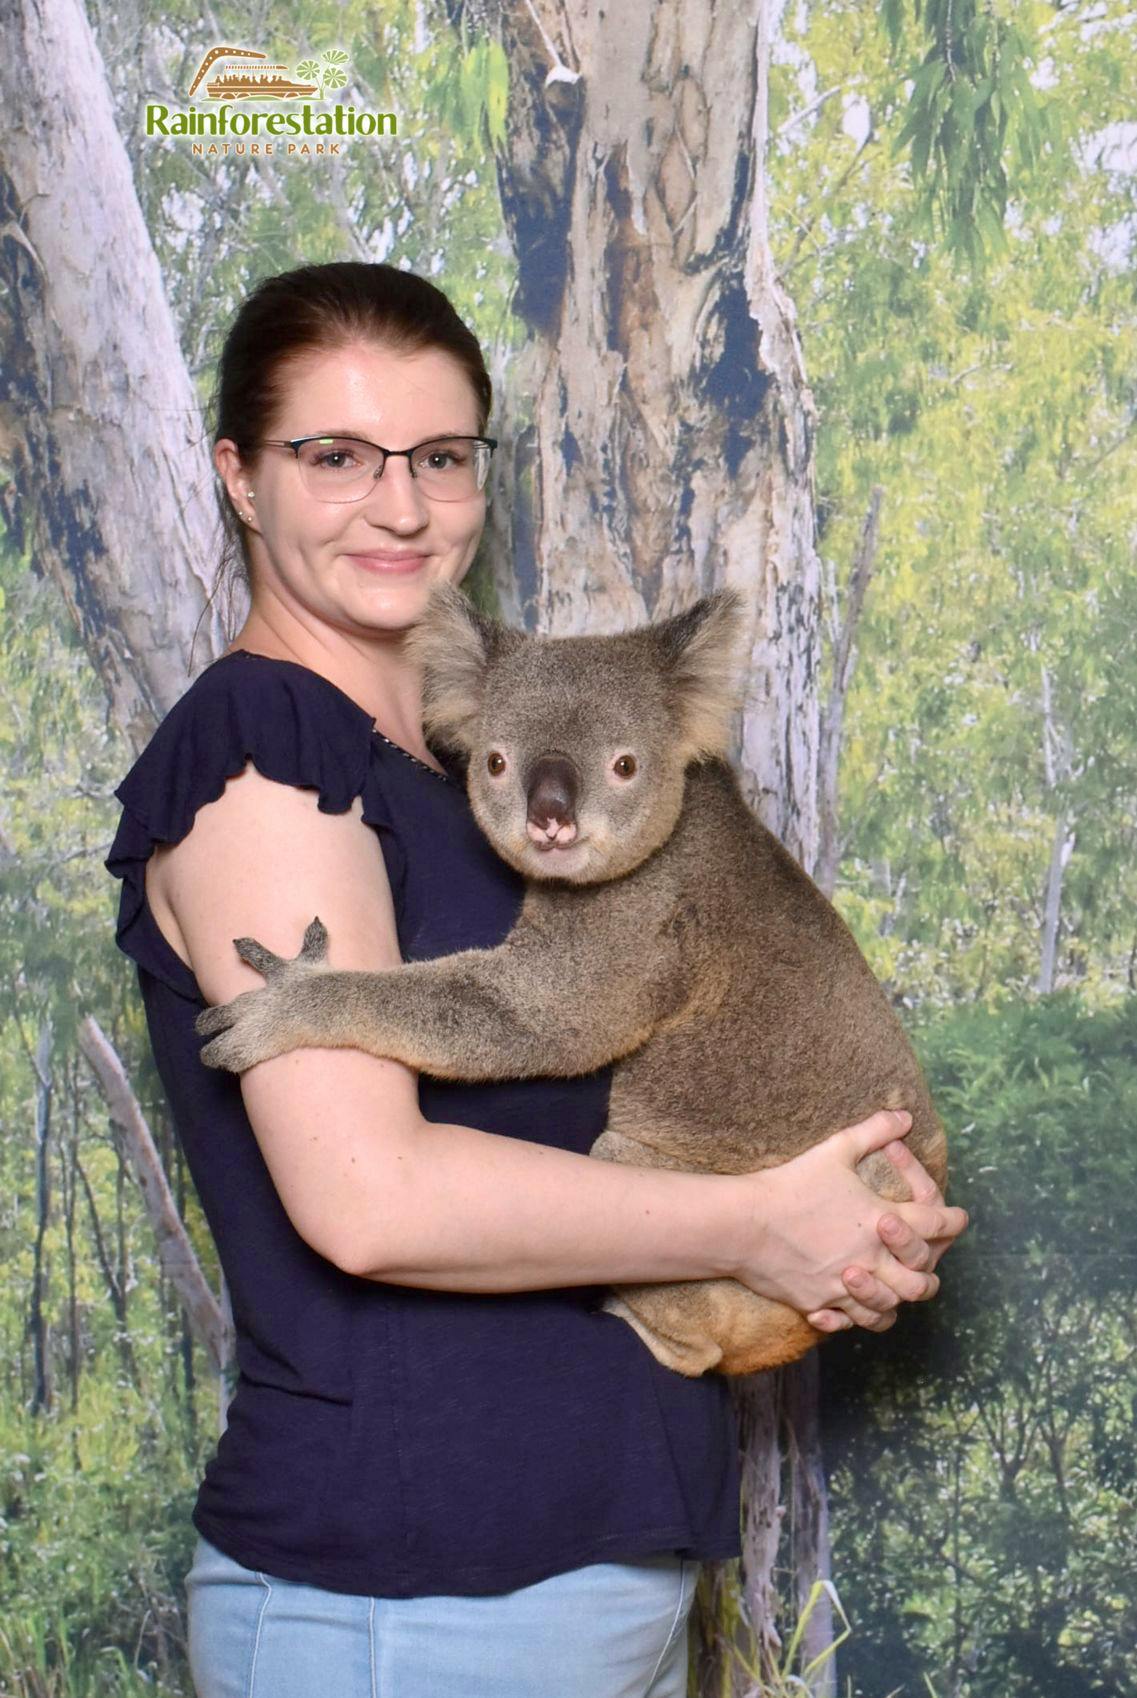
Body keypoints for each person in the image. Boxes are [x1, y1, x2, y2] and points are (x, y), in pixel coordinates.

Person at [104, 261, 966, 1698]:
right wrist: (759, 1222)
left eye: (438, 458)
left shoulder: (457, 763)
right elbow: (369, 1200)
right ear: (238, 477)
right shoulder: (266, 741)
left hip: (580, 1560)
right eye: (333, 457)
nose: (398, 505)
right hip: (408, 1581)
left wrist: (853, 1214)